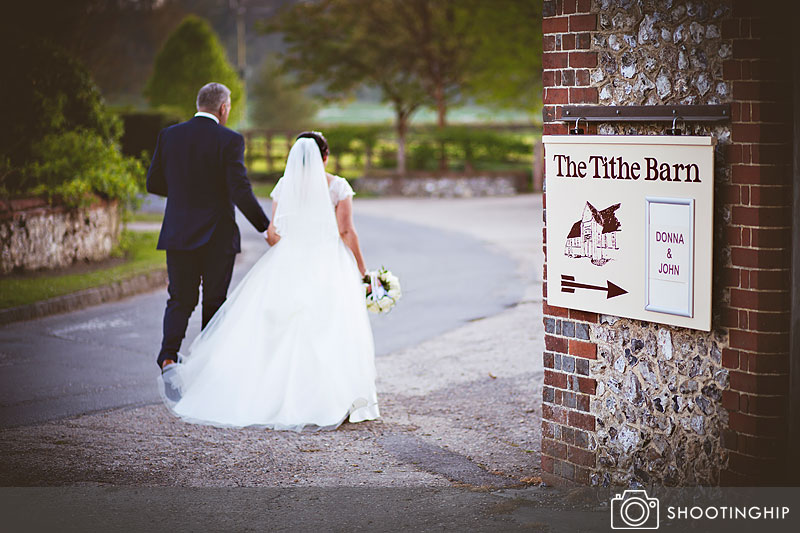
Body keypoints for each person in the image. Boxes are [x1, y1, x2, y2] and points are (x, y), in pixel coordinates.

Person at [158, 132, 380, 430]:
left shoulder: (283, 186)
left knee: (274, 329)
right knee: (328, 327)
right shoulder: (338, 187)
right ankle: (328, 396)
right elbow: (346, 232)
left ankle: (265, 395)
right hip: (327, 262)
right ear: (324, 157)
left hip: (289, 262)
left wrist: (293, 246)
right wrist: (362, 271)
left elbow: (274, 234)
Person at [146, 82, 271, 378]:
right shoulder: (230, 140)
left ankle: (168, 358)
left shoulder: (169, 135)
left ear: (199, 103)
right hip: (217, 236)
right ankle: (206, 366)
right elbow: (239, 190)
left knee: (180, 299)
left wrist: (182, 193)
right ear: (223, 108)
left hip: (178, 232)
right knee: (214, 301)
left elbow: (153, 183)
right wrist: (266, 228)